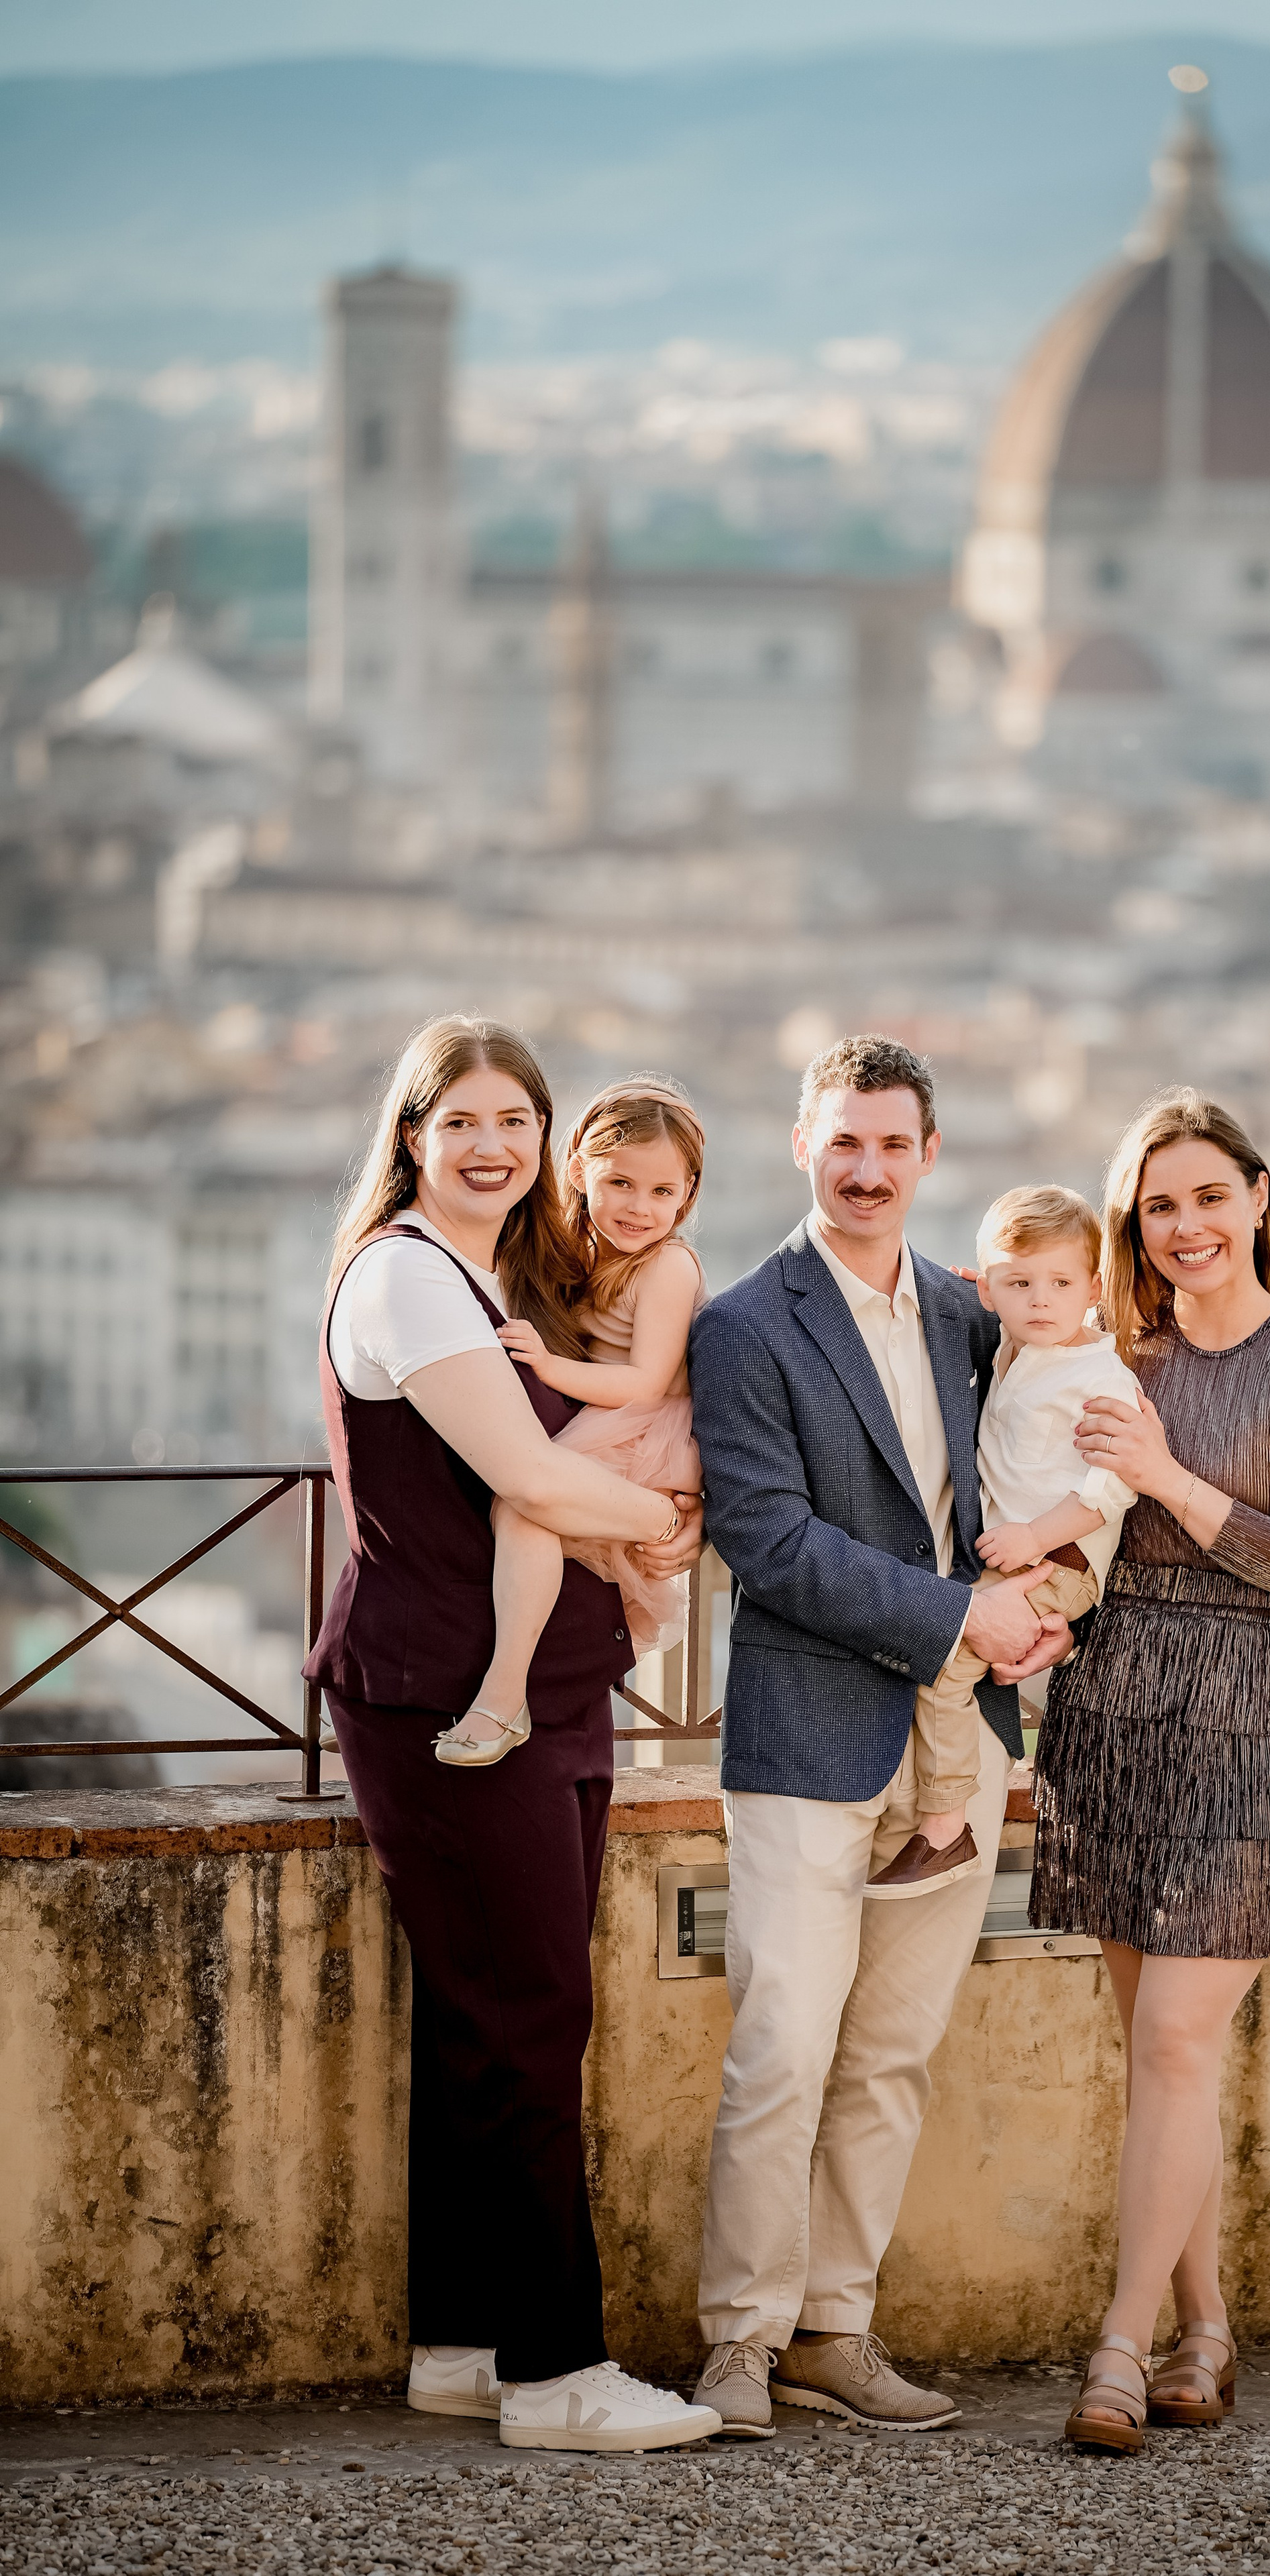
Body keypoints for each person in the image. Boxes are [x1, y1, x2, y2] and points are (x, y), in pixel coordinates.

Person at [304, 1014, 721, 2455]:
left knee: (482, 2023)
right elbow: (531, 1474)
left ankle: (464, 2345)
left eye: (515, 1122)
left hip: (531, 1688)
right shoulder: (414, 1283)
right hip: (445, 1697)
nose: (490, 1145)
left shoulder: (489, 1275)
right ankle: (555, 2376)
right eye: (461, 1120)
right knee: (532, 2018)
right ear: (411, 1135)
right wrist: (669, 1520)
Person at [686, 1034, 1071, 2438]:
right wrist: (960, 1619)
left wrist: (1042, 1598)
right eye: (841, 1141)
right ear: (803, 1145)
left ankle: (832, 2331)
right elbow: (763, 1538)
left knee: (891, 2056)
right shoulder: (742, 1325)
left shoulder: (976, 1319)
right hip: (806, 1727)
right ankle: (738, 2340)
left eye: (890, 1145)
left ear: (925, 1157)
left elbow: (1038, 1460)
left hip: (955, 1742)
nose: (864, 1169)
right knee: (782, 2046)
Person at [1041, 1087, 1270, 2453]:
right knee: (1155, 2059)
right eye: (1155, 1204)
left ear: (1255, 1199)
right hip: (1112, 1709)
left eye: (1204, 1196)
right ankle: (1207, 2332)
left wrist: (1166, 1480)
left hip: (1255, 1717)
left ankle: (1118, 2349)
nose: (1182, 1225)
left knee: (1178, 2039)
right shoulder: (1109, 1352)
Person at [865, 1183, 1143, 1898]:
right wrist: (975, 1292)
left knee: (947, 1659)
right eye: (1019, 1284)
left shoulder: (1100, 1374)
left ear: (1095, 1288)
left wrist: (1031, 1537)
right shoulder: (1020, 1343)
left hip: (1058, 1558)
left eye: (1059, 1284)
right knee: (956, 1653)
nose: (1040, 1301)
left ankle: (944, 1826)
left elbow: (1112, 1488)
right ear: (990, 1290)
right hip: (1026, 1555)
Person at [438, 1075, 708, 1768]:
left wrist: (548, 1367)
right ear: (581, 1170)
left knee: (523, 1510)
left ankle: (503, 1695)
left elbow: (645, 1380)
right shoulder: (581, 1250)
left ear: (687, 1196)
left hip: (645, 1430)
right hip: (610, 1421)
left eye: (661, 1193)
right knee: (506, 1517)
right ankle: (448, 1685)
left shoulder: (668, 1265)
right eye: (620, 1183)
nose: (639, 1209)